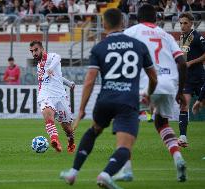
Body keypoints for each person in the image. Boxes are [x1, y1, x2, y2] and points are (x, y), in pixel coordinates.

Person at [60, 8, 157, 189]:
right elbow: (153, 77)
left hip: (105, 100)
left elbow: (89, 80)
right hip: (128, 101)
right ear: (123, 23)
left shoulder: (99, 48)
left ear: (104, 25)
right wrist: (148, 95)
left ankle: (73, 173)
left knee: (94, 130)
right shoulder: (138, 45)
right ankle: (105, 174)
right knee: (124, 147)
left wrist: (81, 109)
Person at [114, 3, 187, 182]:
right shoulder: (166, 35)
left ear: (138, 18)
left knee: (124, 121)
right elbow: (182, 63)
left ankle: (126, 169)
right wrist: (179, 91)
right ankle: (178, 157)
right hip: (169, 85)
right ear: (156, 19)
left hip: (145, 84)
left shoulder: (132, 32)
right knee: (162, 123)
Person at [29, 40, 76, 153]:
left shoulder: (51, 57)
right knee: (47, 114)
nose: (34, 53)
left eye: (36, 50)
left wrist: (69, 84)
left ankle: (71, 141)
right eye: (31, 51)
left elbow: (58, 58)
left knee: (67, 128)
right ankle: (55, 140)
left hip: (60, 96)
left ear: (42, 49)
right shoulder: (39, 65)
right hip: (45, 94)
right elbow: (54, 77)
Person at [178, 12, 205, 147]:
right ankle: (183, 137)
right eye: (181, 23)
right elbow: (183, 58)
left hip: (199, 77)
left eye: (185, 23)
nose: (182, 26)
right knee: (184, 104)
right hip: (187, 78)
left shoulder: (197, 37)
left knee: (202, 104)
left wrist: (191, 63)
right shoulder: (183, 37)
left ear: (191, 24)